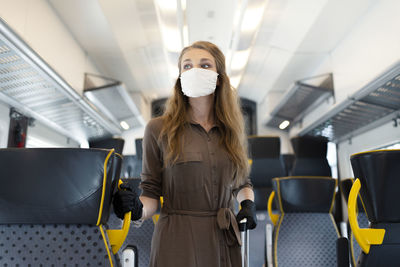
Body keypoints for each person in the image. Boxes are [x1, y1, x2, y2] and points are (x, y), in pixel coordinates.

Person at [113, 41, 257, 267]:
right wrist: (137, 210)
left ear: (219, 78)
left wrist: (248, 204)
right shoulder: (158, 129)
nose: (195, 71)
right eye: (187, 66)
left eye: (205, 65)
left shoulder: (232, 130)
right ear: (180, 77)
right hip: (177, 238)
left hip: (225, 236)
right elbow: (151, 192)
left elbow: (242, 182)